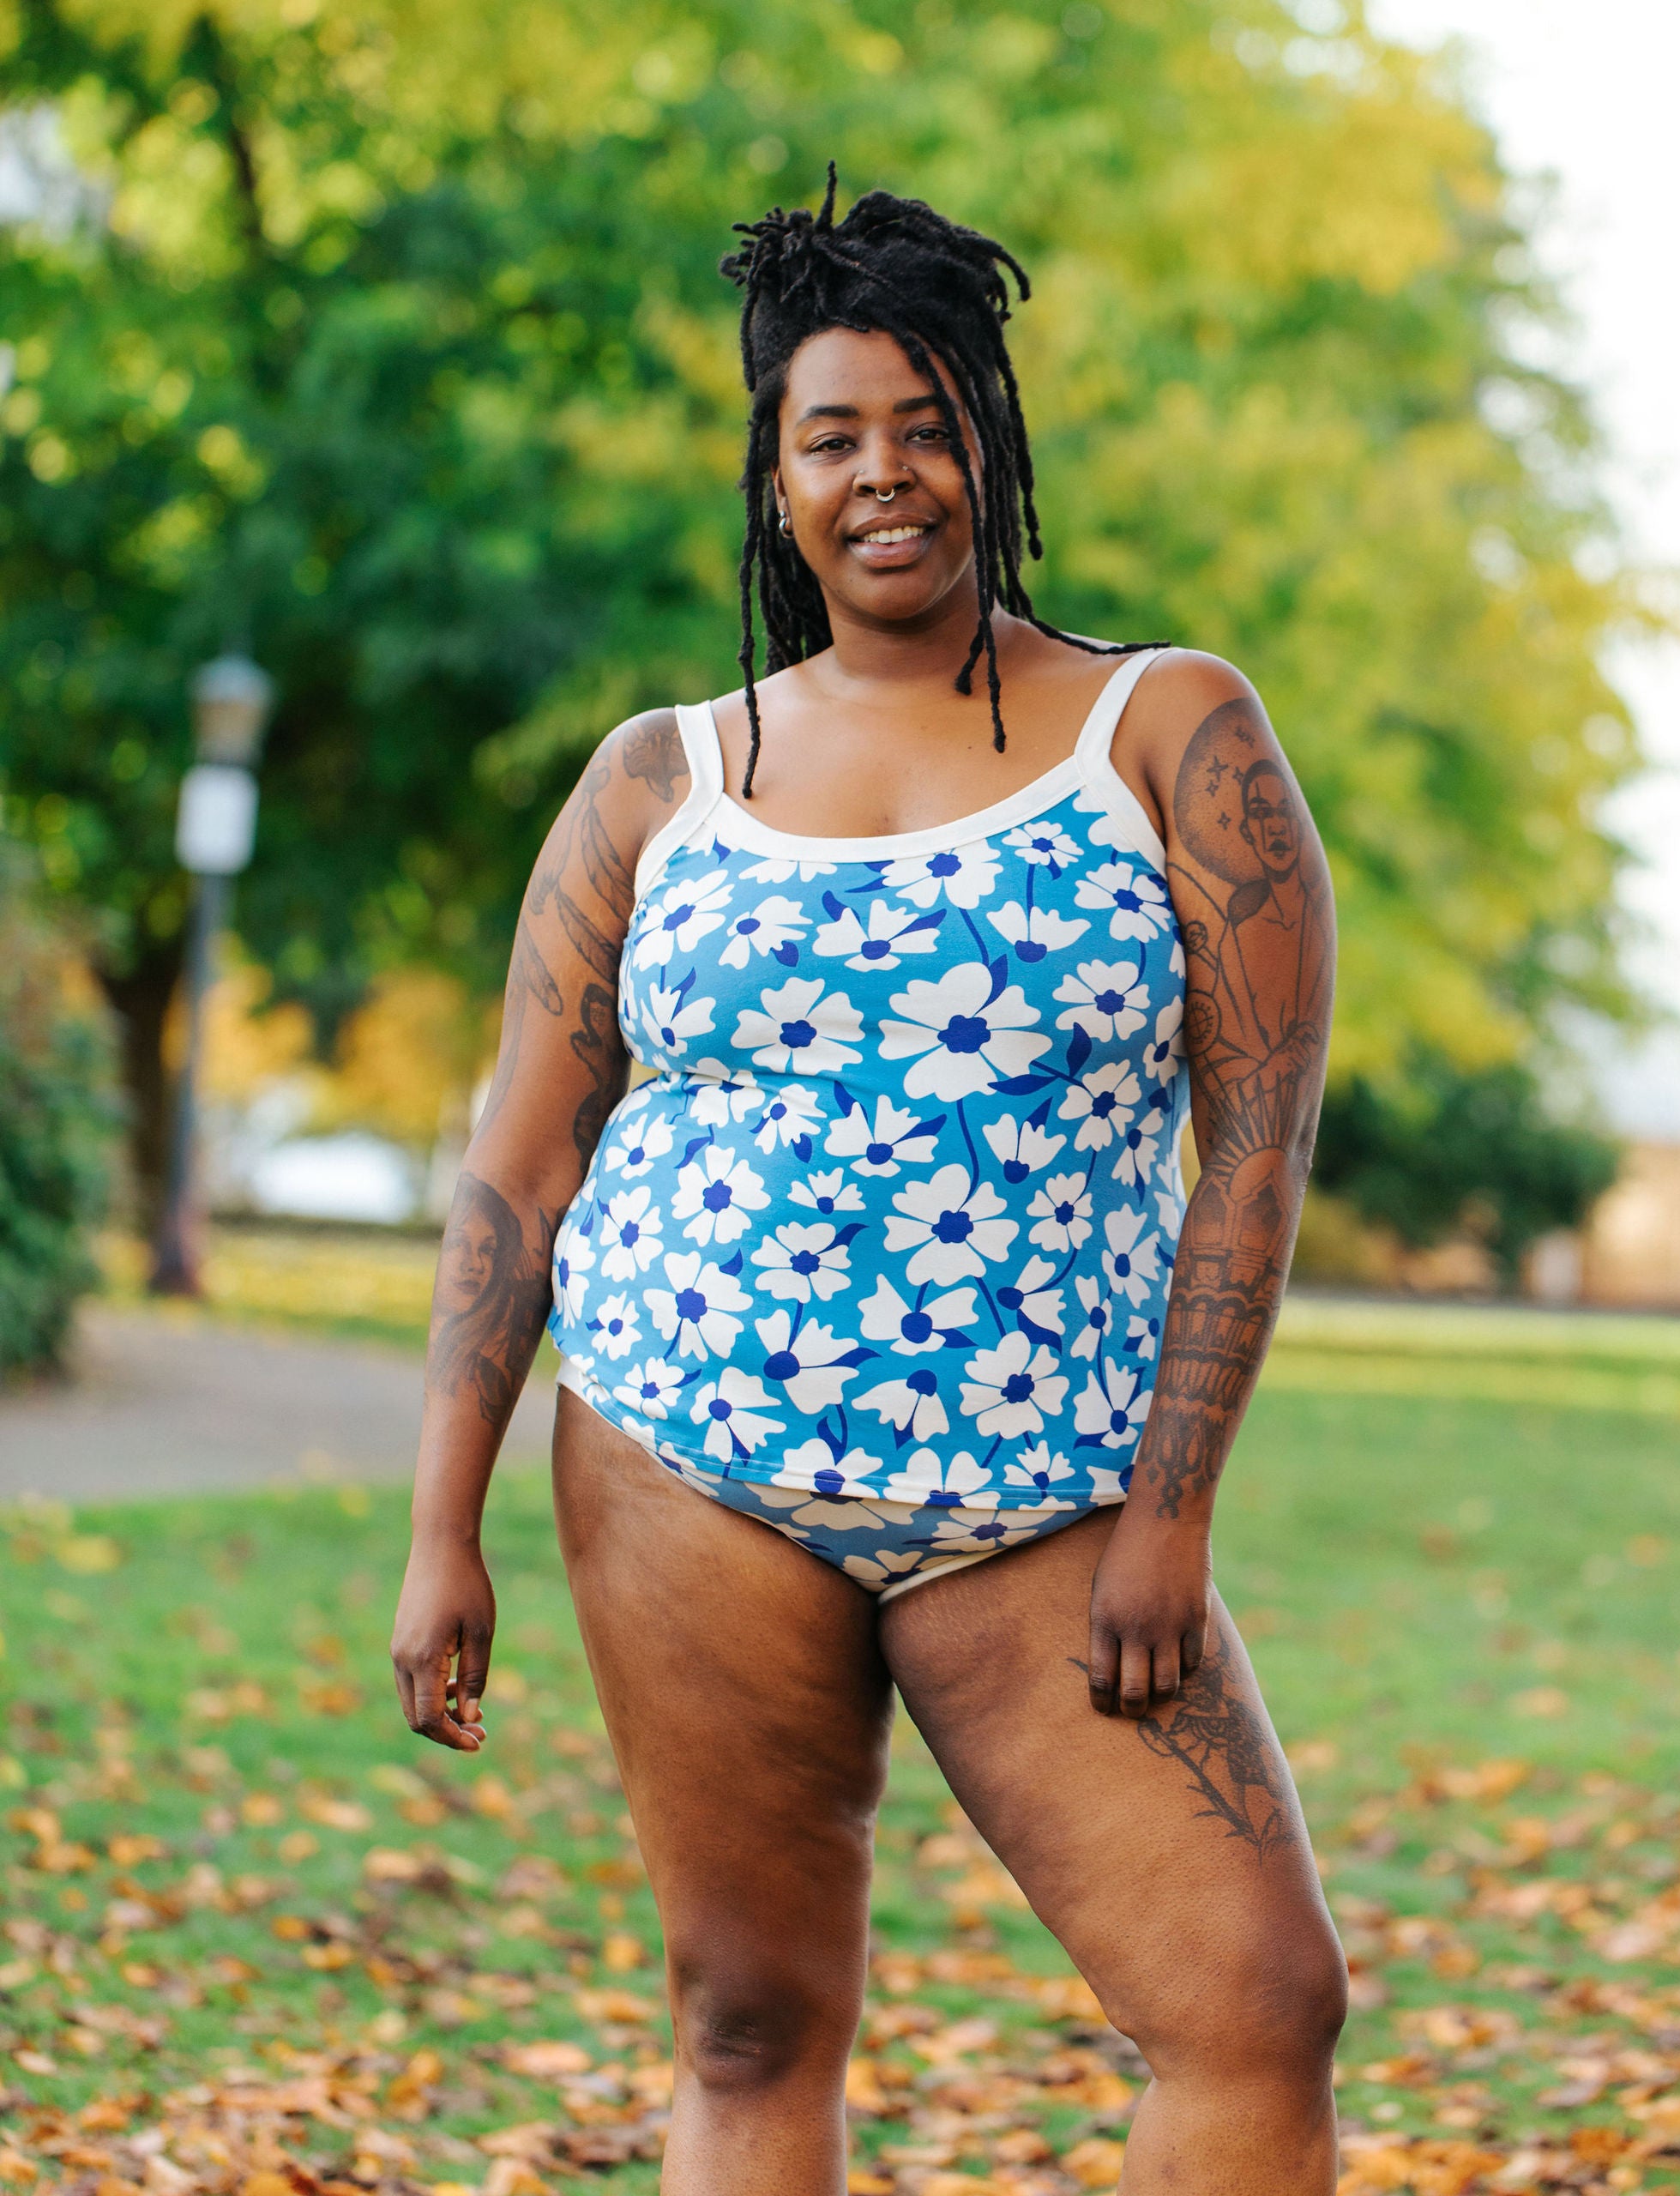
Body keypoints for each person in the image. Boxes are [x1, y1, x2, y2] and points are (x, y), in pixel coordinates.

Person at [393, 172, 1345, 2194]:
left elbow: (1254, 1147)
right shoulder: (664, 774)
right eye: (833, 435)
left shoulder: (1167, 729)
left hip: (1051, 1499)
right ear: (774, 481)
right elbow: (521, 1161)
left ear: (992, 446)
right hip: (680, 1463)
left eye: (929, 423)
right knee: (748, 2018)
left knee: (1252, 2000)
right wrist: (438, 1523)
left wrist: (1172, 1513)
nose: (885, 472)